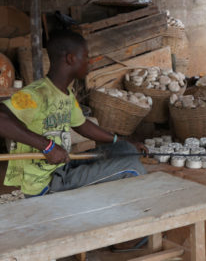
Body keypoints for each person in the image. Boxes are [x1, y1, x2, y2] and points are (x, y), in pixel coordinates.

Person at [0, 30, 147, 197]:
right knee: (134, 168)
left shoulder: (66, 94)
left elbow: (82, 124)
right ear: (70, 58)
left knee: (124, 150)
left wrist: (120, 141)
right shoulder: (36, 94)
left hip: (64, 166)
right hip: (47, 183)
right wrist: (47, 146)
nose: (89, 62)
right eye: (85, 56)